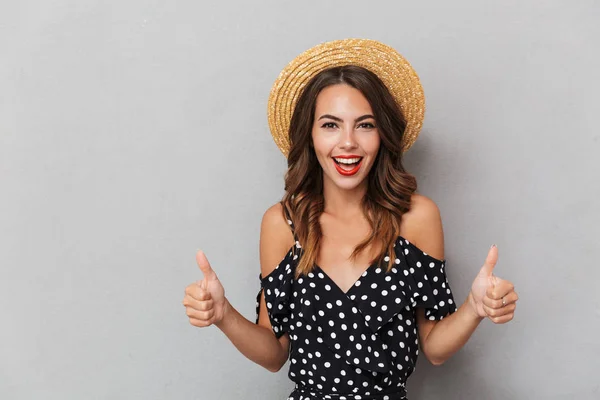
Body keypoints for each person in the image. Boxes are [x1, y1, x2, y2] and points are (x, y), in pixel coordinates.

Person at [182, 39, 519, 400]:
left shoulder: (417, 218)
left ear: (382, 135)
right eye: (330, 125)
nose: (348, 143)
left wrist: (475, 308)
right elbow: (274, 354)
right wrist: (223, 315)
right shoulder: (282, 223)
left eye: (365, 125)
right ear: (310, 136)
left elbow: (435, 347)